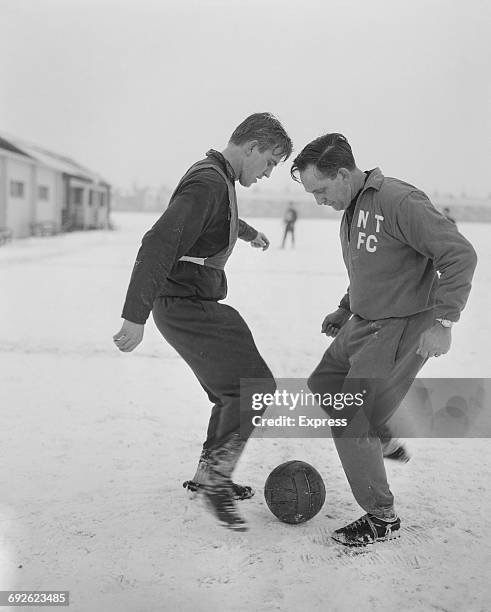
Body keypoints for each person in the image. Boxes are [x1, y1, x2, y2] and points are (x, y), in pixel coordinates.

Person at [291, 133, 477, 547]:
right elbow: (370, 264)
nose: (319, 200)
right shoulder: (353, 205)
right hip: (363, 321)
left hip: (400, 327)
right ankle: (382, 434)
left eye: (320, 190)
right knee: (323, 385)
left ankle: (381, 517)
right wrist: (345, 305)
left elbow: (460, 255)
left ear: (343, 173)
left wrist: (444, 323)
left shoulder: (398, 201)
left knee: (349, 419)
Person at [113, 113, 292, 531]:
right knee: (254, 388)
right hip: (184, 302)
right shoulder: (210, 181)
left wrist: (247, 233)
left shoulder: (216, 177)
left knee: (233, 392)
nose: (268, 173)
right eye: (269, 162)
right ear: (251, 147)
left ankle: (208, 476)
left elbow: (214, 220)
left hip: (189, 301)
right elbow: (161, 239)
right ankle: (215, 480)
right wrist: (134, 315)